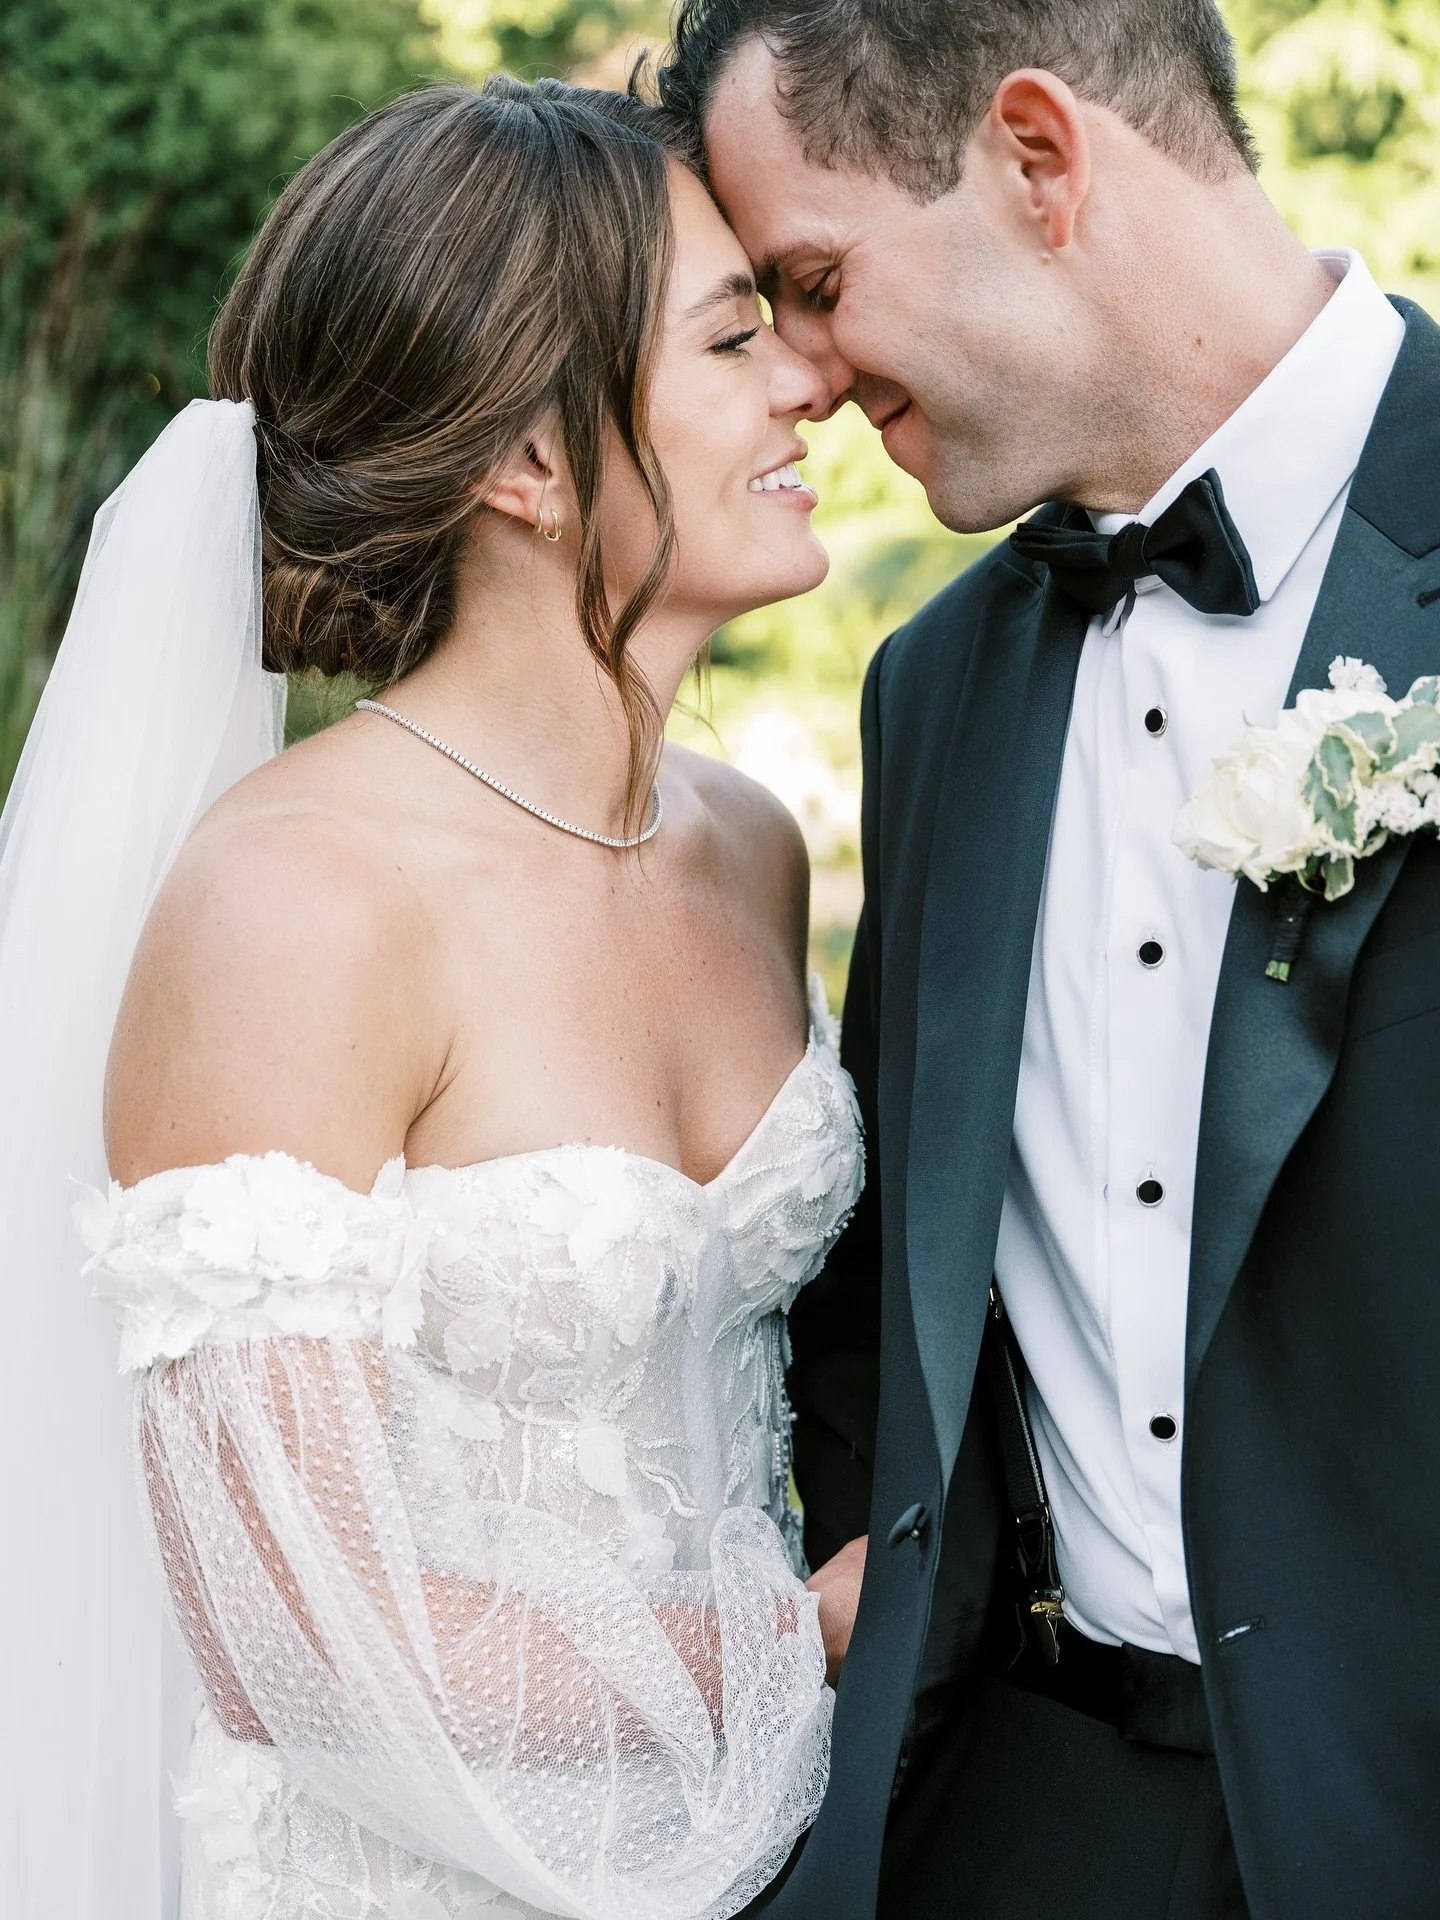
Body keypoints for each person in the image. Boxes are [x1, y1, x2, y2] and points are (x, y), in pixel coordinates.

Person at [0, 79, 871, 1920]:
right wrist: (799, 1640)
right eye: (732, 339)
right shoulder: (298, 902)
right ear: (527, 465)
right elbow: (291, 1636)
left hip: (781, 1851)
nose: (808, 378)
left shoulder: (750, 844)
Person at [653, 2, 1440, 1915]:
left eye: (818, 282)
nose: (810, 380)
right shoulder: (932, 691)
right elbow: (882, 1314)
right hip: (1032, 1819)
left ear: (1035, 156)